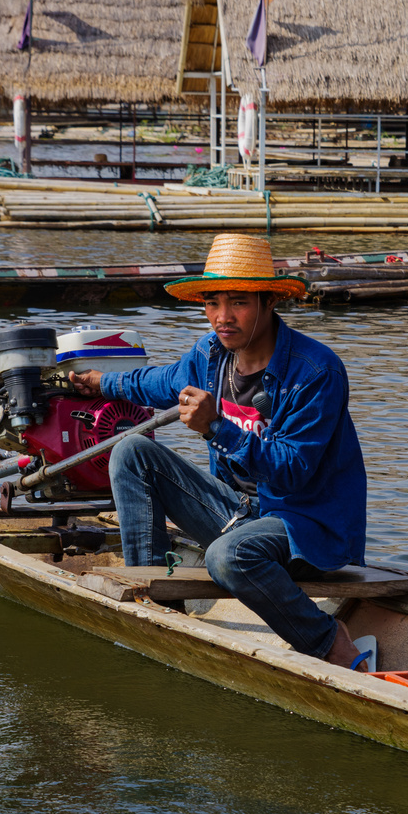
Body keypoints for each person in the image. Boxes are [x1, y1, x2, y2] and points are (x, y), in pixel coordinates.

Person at [66, 233, 373, 670]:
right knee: (131, 450)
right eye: (213, 302)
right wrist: (96, 382)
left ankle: (328, 641)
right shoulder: (210, 356)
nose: (222, 317)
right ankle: (155, 612)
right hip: (240, 512)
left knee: (228, 557)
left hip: (306, 531)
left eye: (239, 303)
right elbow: (154, 383)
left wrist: (216, 429)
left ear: (269, 302)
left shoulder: (315, 372)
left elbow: (293, 473)